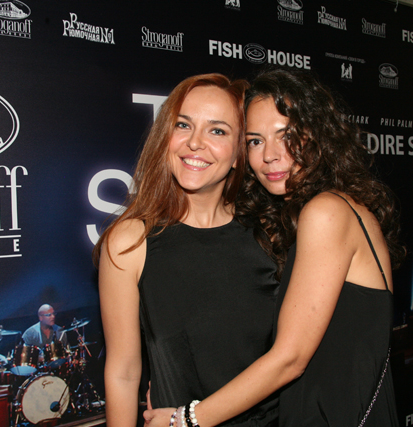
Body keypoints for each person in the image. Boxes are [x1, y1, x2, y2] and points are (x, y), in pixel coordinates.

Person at [144, 68, 406, 426]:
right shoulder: (313, 214)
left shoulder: (326, 212)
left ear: (319, 134)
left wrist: (184, 419)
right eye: (255, 141)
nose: (269, 155)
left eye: (287, 136)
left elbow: (290, 359)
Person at [94, 73, 279, 427]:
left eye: (217, 131)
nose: (195, 142)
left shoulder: (270, 235)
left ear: (240, 153)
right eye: (183, 125)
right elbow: (123, 372)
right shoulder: (130, 242)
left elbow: (292, 359)